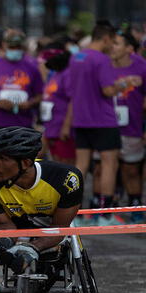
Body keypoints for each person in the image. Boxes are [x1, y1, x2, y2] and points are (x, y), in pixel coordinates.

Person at [0, 127, 83, 279]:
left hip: (52, 225)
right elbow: (3, 224)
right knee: (2, 246)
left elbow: (60, 227)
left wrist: (32, 248)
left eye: (2, 159)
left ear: (25, 163)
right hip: (15, 225)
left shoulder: (66, 179)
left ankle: (34, 257)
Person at [64, 21, 140, 226]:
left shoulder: (77, 57)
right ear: (105, 38)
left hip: (81, 119)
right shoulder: (101, 59)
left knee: (80, 166)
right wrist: (124, 83)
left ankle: (74, 212)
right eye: (112, 41)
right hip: (102, 120)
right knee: (109, 164)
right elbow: (107, 90)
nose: (112, 45)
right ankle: (105, 214)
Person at [0, 30, 44, 166]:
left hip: (21, 123)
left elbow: (40, 94)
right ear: (4, 45)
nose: (14, 50)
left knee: (18, 163)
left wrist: (30, 103)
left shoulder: (32, 67)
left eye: (18, 47)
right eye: (11, 47)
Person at [109, 29, 146, 224]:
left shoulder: (141, 67)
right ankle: (108, 208)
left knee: (131, 170)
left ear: (129, 48)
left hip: (132, 126)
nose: (112, 47)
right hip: (105, 126)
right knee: (105, 169)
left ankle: (136, 206)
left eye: (117, 43)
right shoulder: (104, 65)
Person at [39, 44, 74, 165]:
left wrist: (66, 126)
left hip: (62, 128)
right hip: (51, 127)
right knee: (55, 162)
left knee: (65, 164)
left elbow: (73, 100)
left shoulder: (68, 74)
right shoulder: (55, 74)